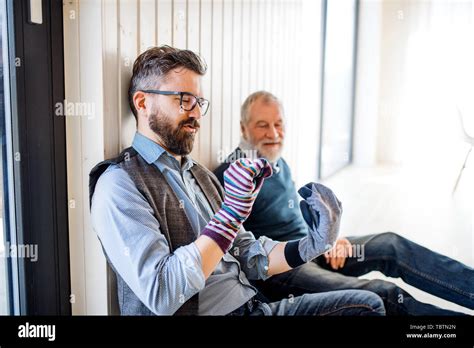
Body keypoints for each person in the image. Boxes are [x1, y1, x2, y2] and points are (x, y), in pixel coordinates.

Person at [89, 46, 386, 316]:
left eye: (198, 102)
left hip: (255, 305)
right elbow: (162, 293)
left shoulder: (199, 175)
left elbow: (248, 253)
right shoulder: (119, 184)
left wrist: (314, 244)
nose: (196, 115)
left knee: (370, 305)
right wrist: (231, 214)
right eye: (184, 100)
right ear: (142, 102)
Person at [214, 90, 474, 316]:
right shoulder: (232, 174)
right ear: (243, 128)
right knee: (383, 293)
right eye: (262, 125)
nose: (274, 133)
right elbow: (235, 249)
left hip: (313, 249)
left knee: (392, 244)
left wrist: (328, 239)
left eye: (279, 124)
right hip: (283, 272)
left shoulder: (278, 162)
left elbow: (291, 217)